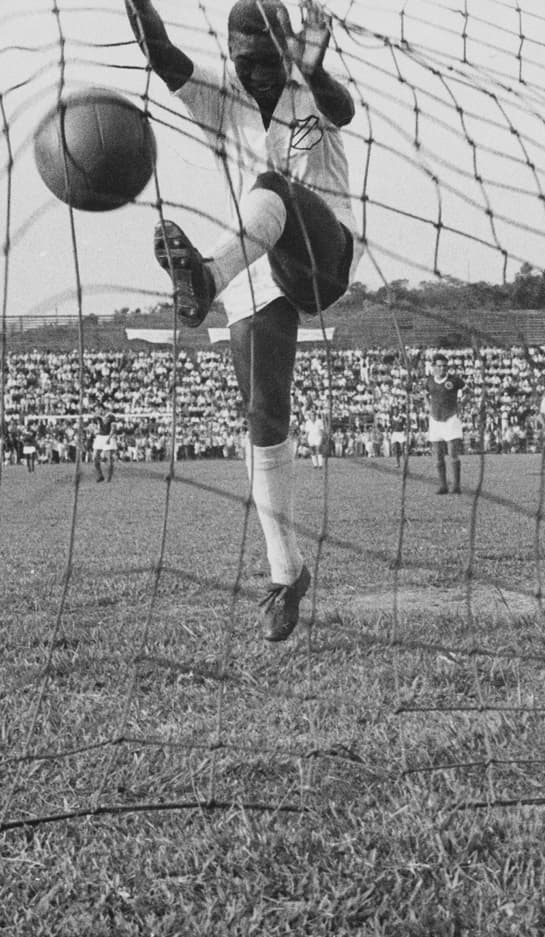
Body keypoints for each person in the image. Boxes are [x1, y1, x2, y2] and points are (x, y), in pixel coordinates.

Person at [125, 0, 358, 642]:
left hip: (324, 252)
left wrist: (314, 67)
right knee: (263, 415)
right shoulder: (220, 96)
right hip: (257, 272)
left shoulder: (309, 87)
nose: (253, 69)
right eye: (242, 58)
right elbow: (161, 53)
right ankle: (287, 574)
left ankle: (206, 276)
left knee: (272, 185)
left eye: (264, 57)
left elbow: (342, 110)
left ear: (284, 49)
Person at [425, 353, 465, 495]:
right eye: (439, 366)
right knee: (437, 455)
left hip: (450, 419)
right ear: (433, 367)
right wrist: (428, 406)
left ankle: (456, 485)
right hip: (435, 420)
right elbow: (424, 394)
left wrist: (461, 406)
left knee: (453, 453)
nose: (442, 368)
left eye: (445, 366)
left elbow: (468, 391)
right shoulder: (429, 381)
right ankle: (443, 485)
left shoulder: (454, 380)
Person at [93, 411, 118, 483]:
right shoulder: (100, 419)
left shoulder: (112, 419)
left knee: (108, 458)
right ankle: (100, 475)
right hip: (100, 437)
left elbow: (113, 430)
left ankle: (109, 478)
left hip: (107, 437)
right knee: (95, 457)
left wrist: (109, 438)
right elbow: (95, 416)